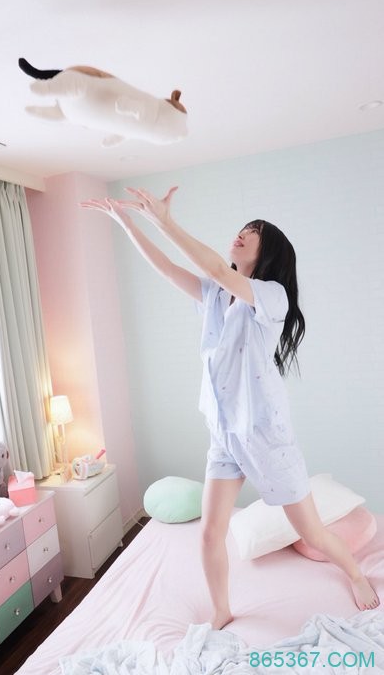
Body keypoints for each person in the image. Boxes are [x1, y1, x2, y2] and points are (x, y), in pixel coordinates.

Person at [80, 186, 380, 629]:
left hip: (267, 435)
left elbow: (218, 268)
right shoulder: (216, 296)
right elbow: (167, 268)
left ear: (269, 250)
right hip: (225, 433)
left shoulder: (272, 295)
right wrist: (126, 222)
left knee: (312, 532)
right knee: (209, 532)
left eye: (253, 231)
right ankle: (222, 608)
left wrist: (164, 220)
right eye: (241, 228)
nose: (241, 233)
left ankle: (355, 573)